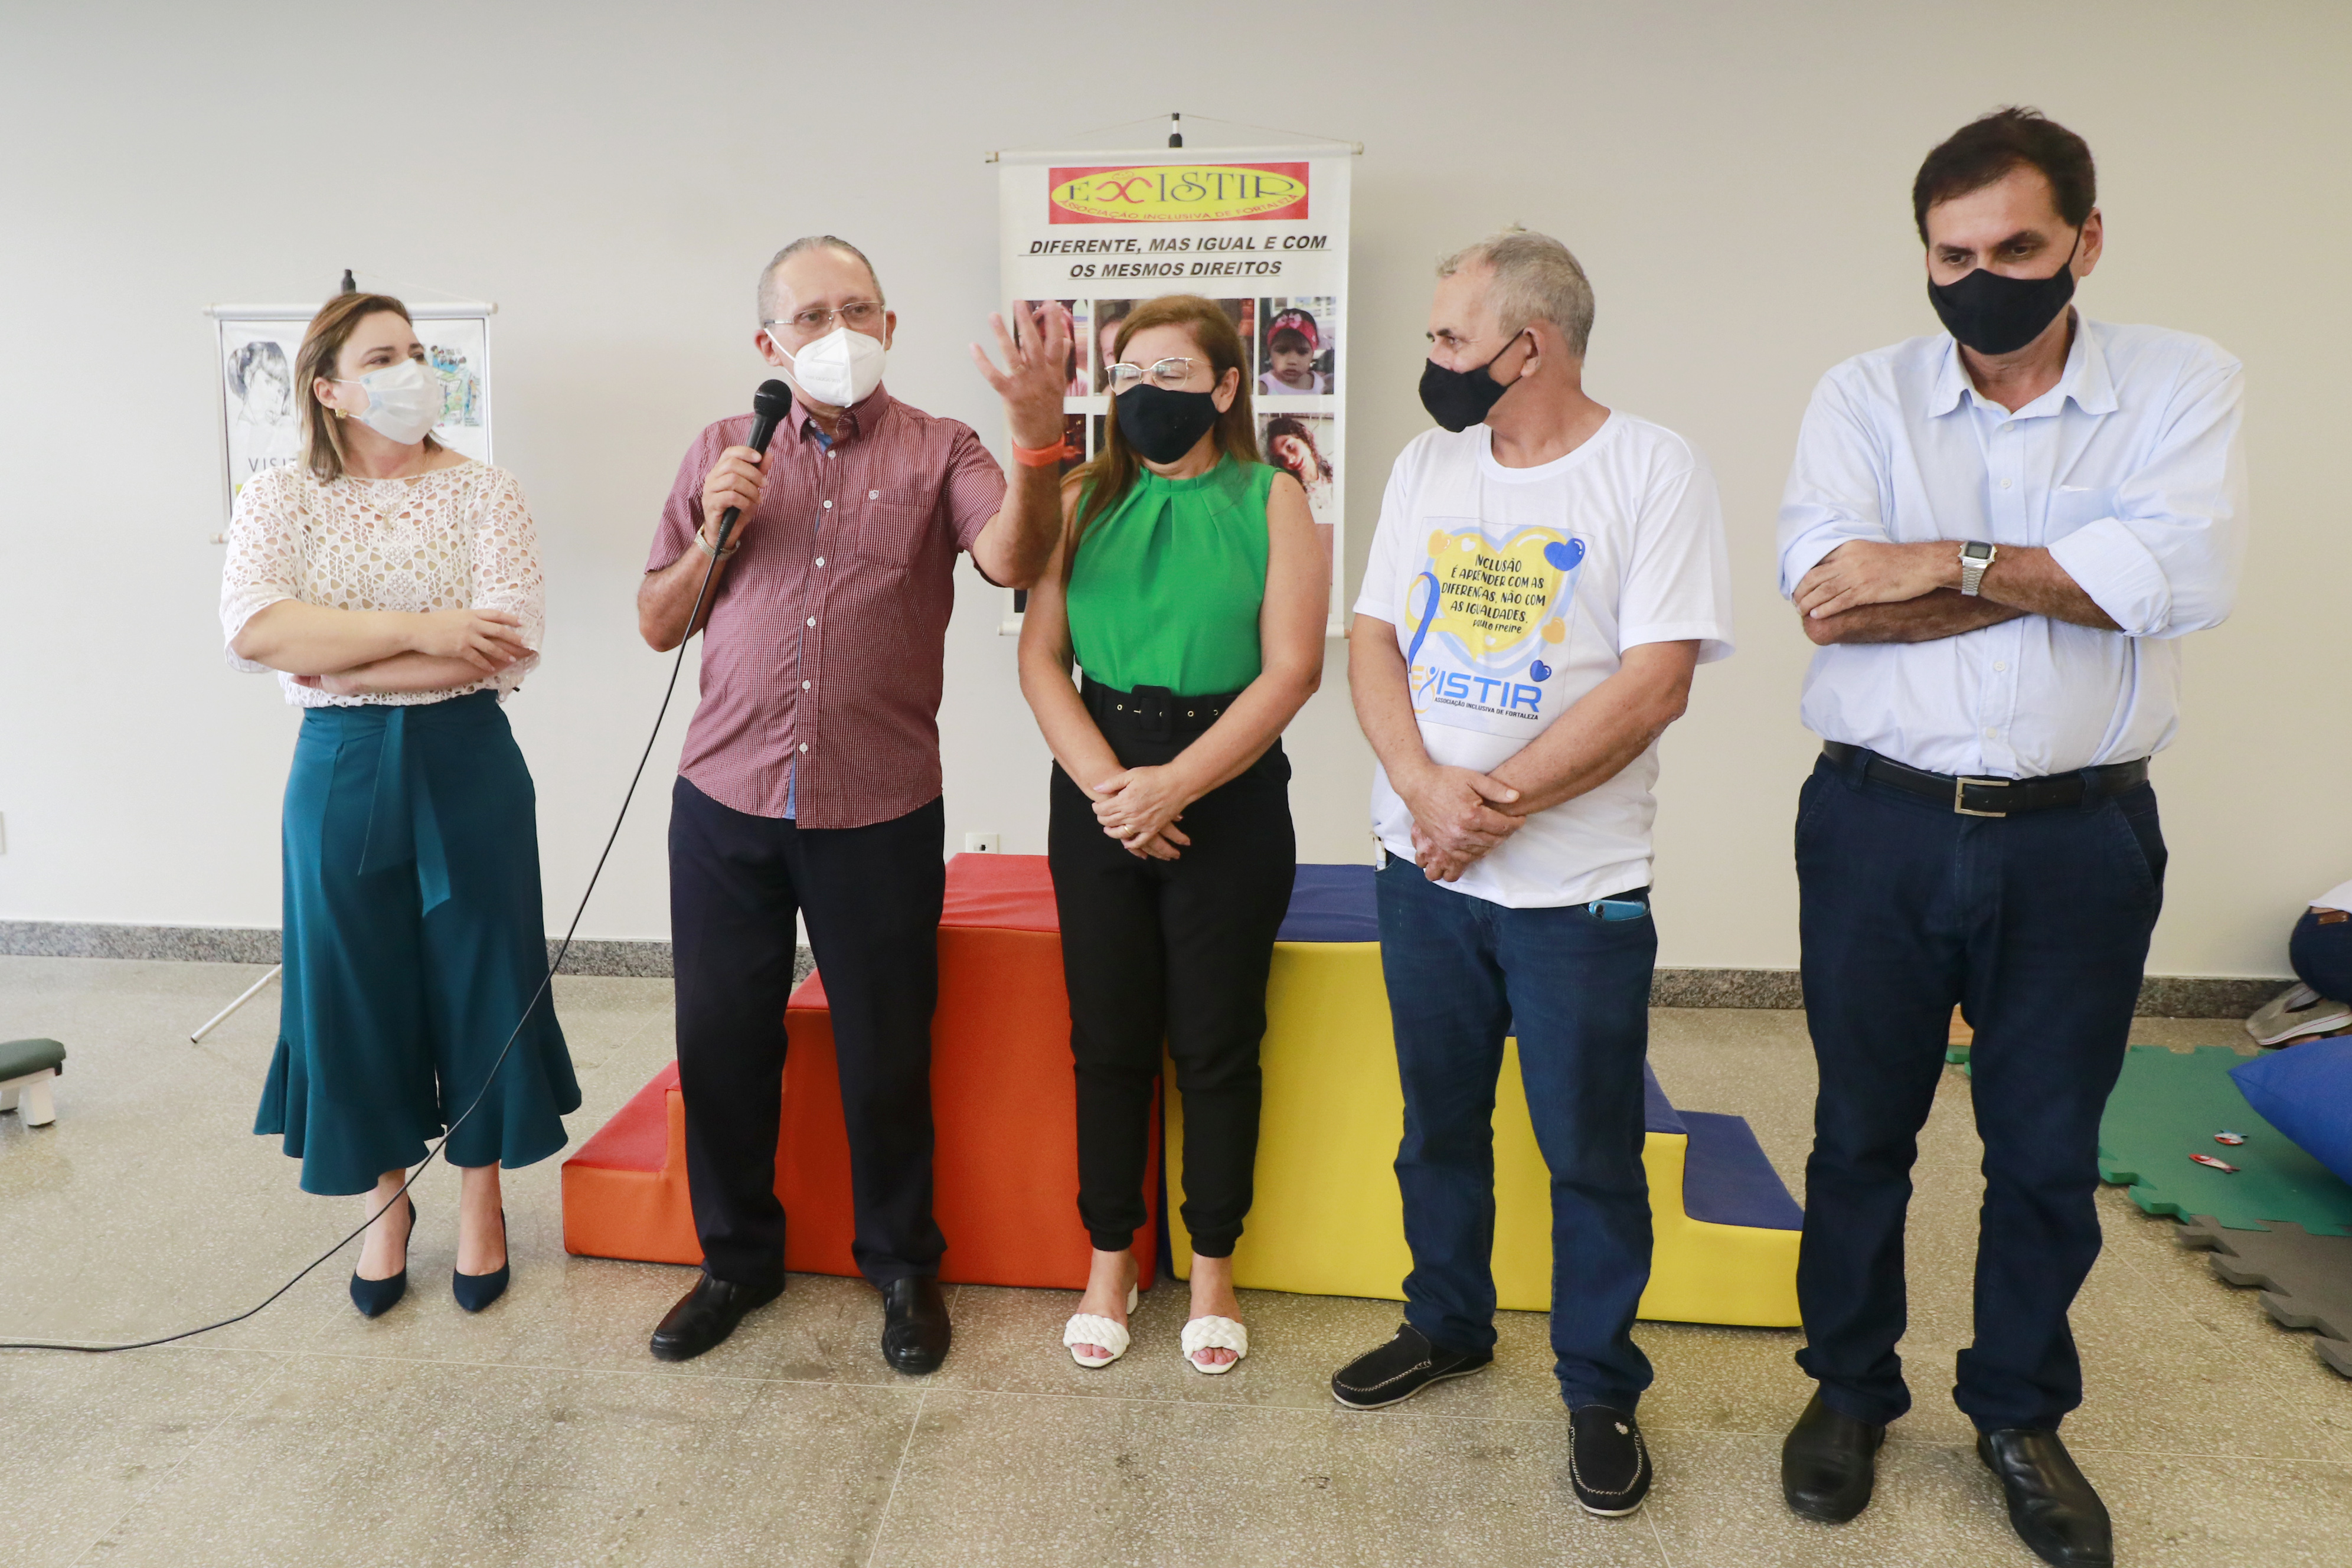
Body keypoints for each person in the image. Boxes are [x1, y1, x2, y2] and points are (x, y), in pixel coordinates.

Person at [1775, 109, 2246, 1567]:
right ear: (1925, 255)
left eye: (2017, 248)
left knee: (2045, 1149)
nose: (1982, 280)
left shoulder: (2181, 381)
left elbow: (2178, 583)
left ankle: (2019, 1413)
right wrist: (2068, 574)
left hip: (2078, 838)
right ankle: (1849, 1389)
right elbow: (1830, 601)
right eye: (1954, 255)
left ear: (2084, 242)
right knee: (1860, 1131)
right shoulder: (1864, 393)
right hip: (1878, 820)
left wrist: (1944, 557)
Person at [1329, 230, 1733, 1520]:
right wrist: (1424, 794)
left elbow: (1655, 683)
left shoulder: (1652, 469)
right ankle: (1446, 1320)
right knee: (1437, 1127)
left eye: (1450, 338)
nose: (1434, 360)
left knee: (1590, 1152)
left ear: (1530, 346)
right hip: (1422, 873)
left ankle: (1599, 1384)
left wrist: (1486, 808)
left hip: (1577, 892)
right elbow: (1373, 639)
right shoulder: (1427, 465)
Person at [636, 236, 1070, 1371]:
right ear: (767, 341)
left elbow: (1013, 557)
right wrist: (714, 531)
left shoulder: (944, 449)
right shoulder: (721, 451)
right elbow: (657, 622)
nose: (839, 333)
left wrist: (1037, 439)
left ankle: (902, 1265)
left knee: (884, 1052)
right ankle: (735, 1262)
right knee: (721, 1043)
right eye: (811, 315)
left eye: (858, 310)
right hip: (724, 800)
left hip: (877, 807)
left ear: (889, 324)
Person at [220, 291, 576, 1319]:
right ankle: (386, 1203)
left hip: (468, 760)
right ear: (329, 390)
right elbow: (257, 630)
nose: (411, 369)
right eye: (382, 356)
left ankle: (481, 1198)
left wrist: (343, 657)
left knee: (483, 975)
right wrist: (427, 630)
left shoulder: (486, 492)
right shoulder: (278, 495)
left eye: (417, 350)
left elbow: (505, 641)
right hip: (338, 769)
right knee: (352, 984)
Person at [1016, 295, 1324, 1374]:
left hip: (1226, 785)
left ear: (1227, 387)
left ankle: (1211, 1269)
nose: (1145, 394)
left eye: (1172, 374)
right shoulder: (1076, 500)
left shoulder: (1274, 497)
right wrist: (1116, 793)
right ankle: (1110, 1261)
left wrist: (1174, 789)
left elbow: (1293, 668)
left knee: (1216, 1042)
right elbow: (1040, 660)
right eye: (1128, 375)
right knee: (1107, 1041)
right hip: (1097, 778)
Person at [2243, 878, 2352, 1046]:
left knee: (2334, 976)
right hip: (2342, 944)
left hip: (2307, 937)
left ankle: (2322, 996)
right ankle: (2334, 1030)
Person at [1258, 307, 1327, 395]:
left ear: (1313, 353)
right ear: (1270, 351)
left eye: (1302, 352)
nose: (1292, 361)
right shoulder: (1263, 387)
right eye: (1282, 351)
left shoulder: (1319, 384)